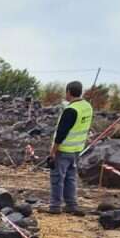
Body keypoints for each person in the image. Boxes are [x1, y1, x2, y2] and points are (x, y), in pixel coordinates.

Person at [47, 80, 93, 214]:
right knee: (71, 177)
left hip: (64, 150)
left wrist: (53, 151)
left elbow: (61, 133)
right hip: (77, 149)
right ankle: (71, 205)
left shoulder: (71, 110)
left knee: (57, 178)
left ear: (68, 92)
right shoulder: (87, 107)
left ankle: (55, 206)